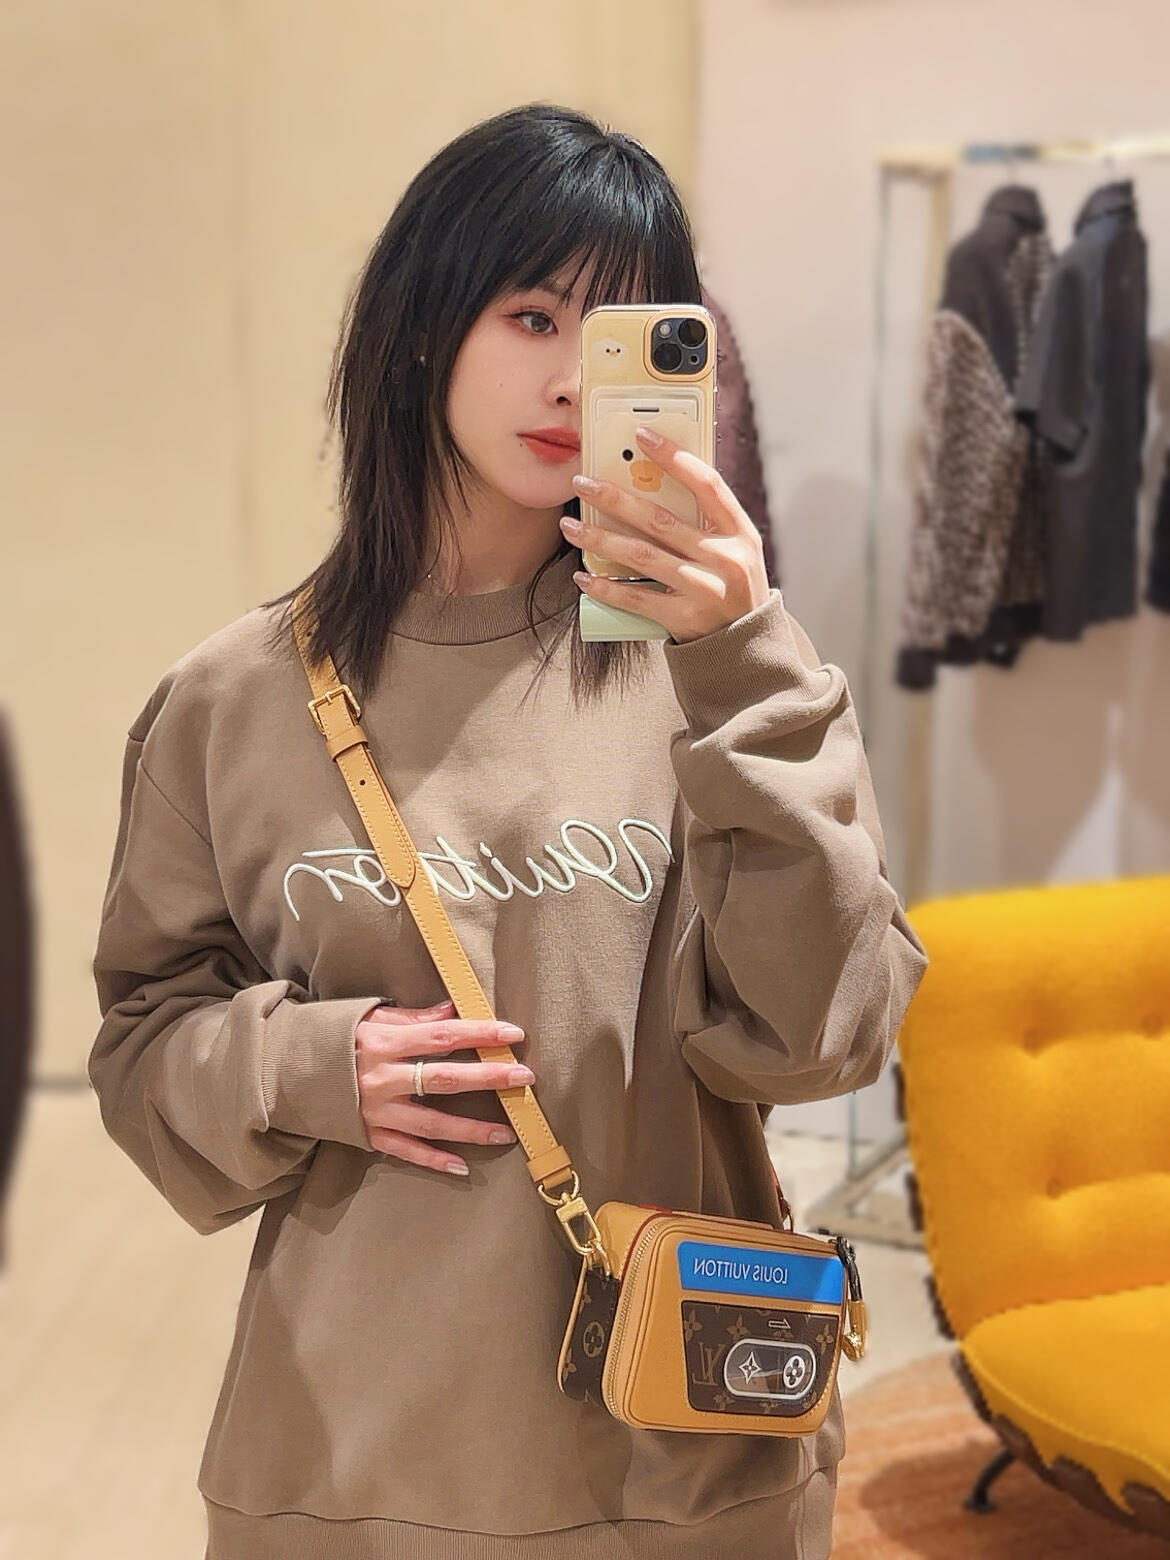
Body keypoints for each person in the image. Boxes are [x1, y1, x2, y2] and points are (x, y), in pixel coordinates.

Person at [88, 102, 929, 1560]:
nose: (572, 379)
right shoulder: (231, 701)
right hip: (352, 1444)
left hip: (678, 1449)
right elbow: (142, 1042)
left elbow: (824, 1040)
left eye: (621, 334)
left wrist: (745, 663)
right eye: (532, 316)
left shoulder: (721, 676)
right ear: (423, 329)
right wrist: (302, 1064)